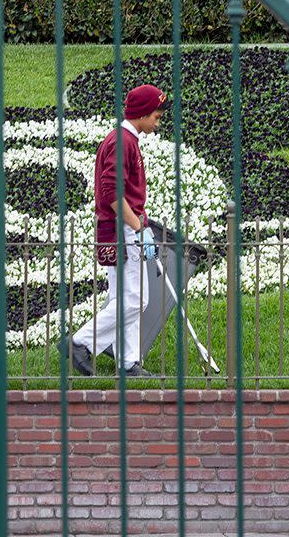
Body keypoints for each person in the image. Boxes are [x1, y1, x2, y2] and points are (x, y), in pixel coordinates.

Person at [70, 83, 166, 379]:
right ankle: (81, 343)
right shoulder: (122, 142)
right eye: (156, 116)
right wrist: (139, 229)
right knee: (136, 300)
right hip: (123, 229)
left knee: (125, 299)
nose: (158, 122)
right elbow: (112, 193)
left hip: (123, 227)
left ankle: (128, 362)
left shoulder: (125, 140)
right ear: (142, 114)